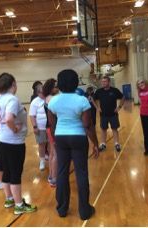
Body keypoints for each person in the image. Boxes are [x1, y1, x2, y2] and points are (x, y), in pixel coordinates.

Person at [47, 69, 99, 220]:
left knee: (62, 173)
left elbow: (52, 124)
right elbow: (87, 125)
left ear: (60, 83)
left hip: (61, 137)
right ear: (76, 82)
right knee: (81, 172)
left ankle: (62, 209)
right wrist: (95, 143)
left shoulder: (53, 101)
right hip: (78, 137)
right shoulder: (82, 100)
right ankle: (84, 211)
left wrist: (58, 140)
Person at [0, 73, 37, 214]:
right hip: (13, 142)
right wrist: (14, 128)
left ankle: (9, 199)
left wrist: (1, 123)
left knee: (7, 171)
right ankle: (19, 205)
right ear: (13, 85)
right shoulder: (12, 99)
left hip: (1, 140)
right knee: (15, 173)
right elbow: (10, 118)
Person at [94, 76, 125, 152]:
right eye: (102, 82)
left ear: (109, 82)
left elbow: (123, 97)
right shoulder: (99, 91)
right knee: (103, 129)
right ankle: (103, 144)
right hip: (103, 114)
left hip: (113, 114)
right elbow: (93, 99)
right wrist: (97, 108)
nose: (103, 83)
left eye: (105, 81)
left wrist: (119, 107)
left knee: (114, 128)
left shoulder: (114, 90)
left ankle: (117, 144)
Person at [42, 78, 59, 187]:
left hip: (49, 127)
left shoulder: (48, 98)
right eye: (55, 86)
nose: (57, 88)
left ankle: (51, 175)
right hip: (53, 128)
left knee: (52, 152)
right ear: (50, 88)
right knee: (55, 153)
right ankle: (54, 179)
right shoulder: (52, 99)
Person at [29, 85, 48, 171]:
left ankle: (51, 159)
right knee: (41, 144)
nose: (43, 93)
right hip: (40, 127)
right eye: (41, 92)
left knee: (51, 144)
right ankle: (42, 161)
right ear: (37, 93)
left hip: (50, 126)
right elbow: (32, 115)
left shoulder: (49, 99)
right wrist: (35, 127)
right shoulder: (35, 102)